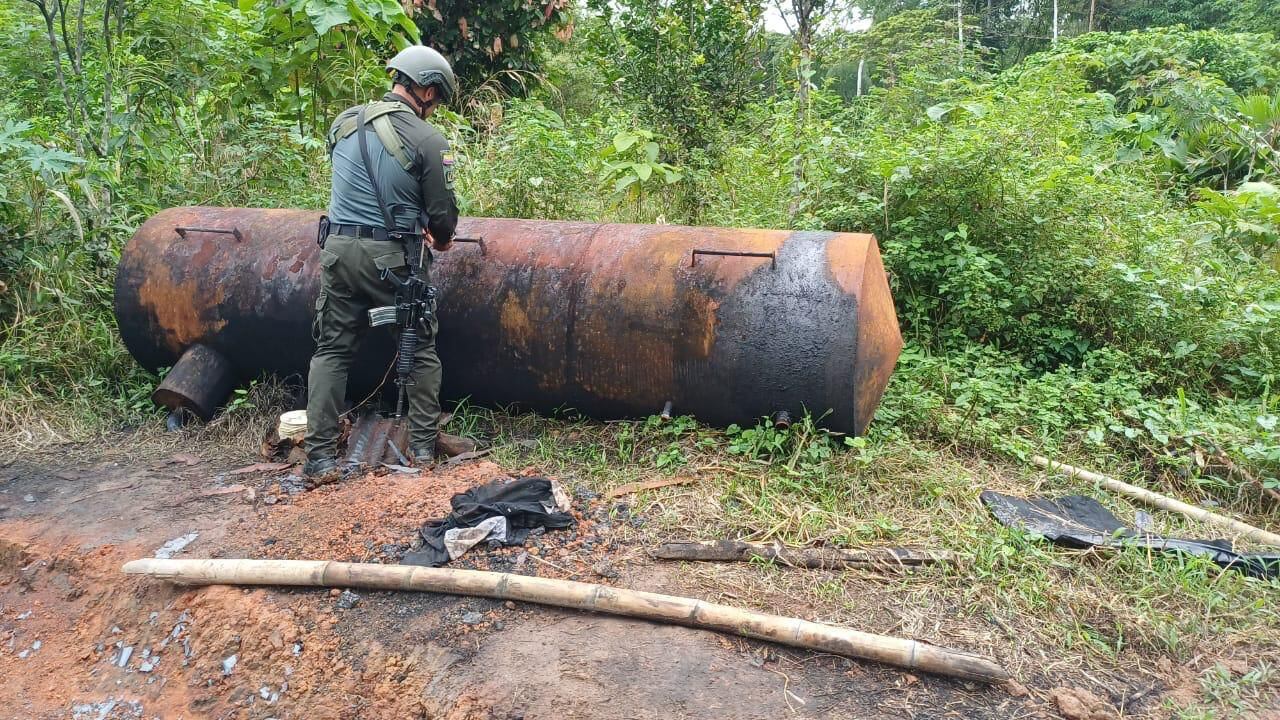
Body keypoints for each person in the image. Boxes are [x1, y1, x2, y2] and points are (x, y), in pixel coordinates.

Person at [303, 45, 459, 480]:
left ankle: (319, 460)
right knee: (420, 348)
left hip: (336, 249)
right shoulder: (428, 139)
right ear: (428, 91)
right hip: (393, 258)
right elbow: (443, 215)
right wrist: (442, 239)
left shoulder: (343, 123)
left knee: (331, 351)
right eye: (437, 99)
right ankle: (423, 452)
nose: (434, 107)